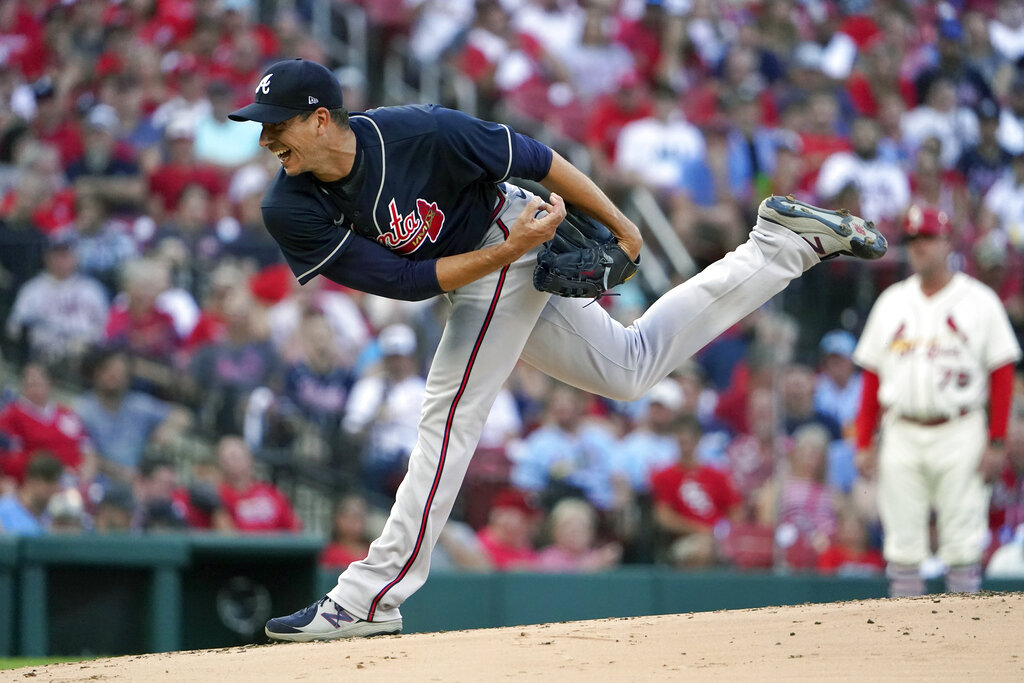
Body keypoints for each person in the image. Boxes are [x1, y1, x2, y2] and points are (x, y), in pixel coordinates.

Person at [228, 58, 886, 640]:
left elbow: (535, 159)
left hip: (512, 228)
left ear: (319, 120)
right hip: (494, 255)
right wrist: (508, 253)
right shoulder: (289, 206)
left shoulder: (418, 130)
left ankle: (370, 595)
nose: (264, 138)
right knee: (630, 369)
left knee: (447, 414)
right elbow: (403, 282)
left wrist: (623, 225)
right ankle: (781, 245)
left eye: (275, 124)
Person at [853, 206, 1021, 597]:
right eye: (912, 240)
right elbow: (872, 377)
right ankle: (909, 646)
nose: (919, 247)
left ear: (948, 243)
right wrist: (863, 441)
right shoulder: (892, 301)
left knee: (963, 547)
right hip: (901, 430)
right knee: (902, 549)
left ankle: (962, 643)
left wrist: (996, 441)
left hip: (959, 428)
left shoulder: (979, 301)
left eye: (927, 238)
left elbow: (1001, 374)